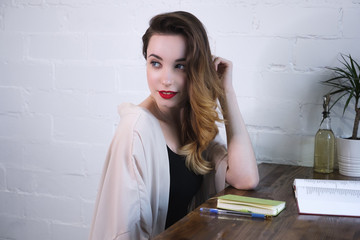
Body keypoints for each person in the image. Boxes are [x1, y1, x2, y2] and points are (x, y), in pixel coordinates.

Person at [89, 11, 259, 240]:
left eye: (180, 66)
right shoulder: (136, 129)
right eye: (156, 63)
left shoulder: (191, 118)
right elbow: (121, 231)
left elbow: (245, 178)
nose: (166, 79)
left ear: (198, 70)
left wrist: (225, 92)